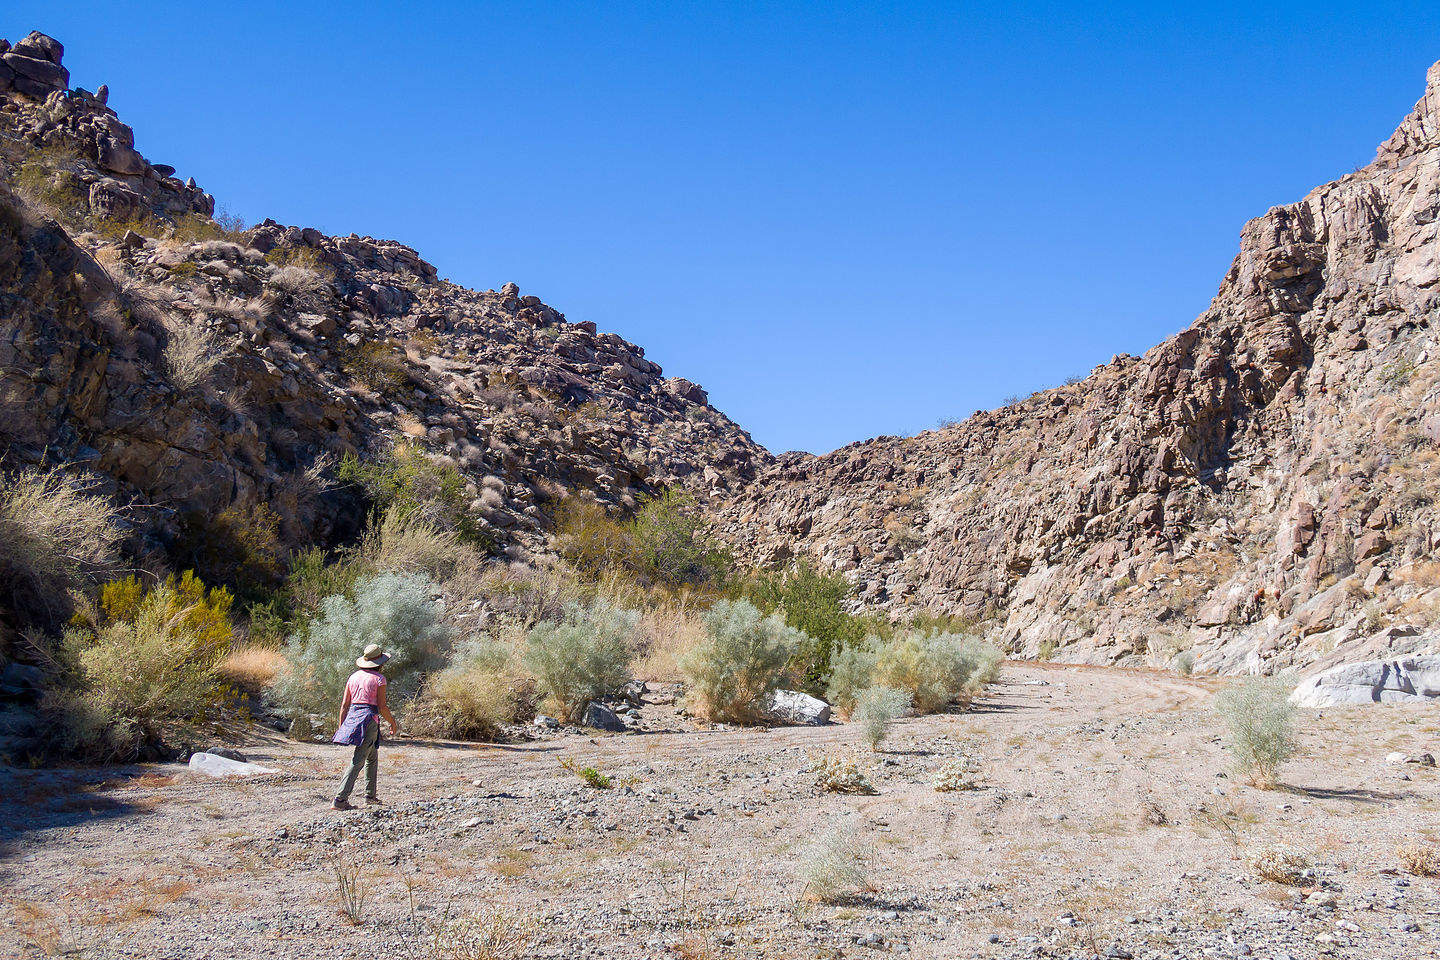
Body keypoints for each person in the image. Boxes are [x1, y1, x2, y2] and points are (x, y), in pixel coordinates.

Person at [331, 643, 399, 810]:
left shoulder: (353, 677)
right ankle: (340, 799)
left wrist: (342, 726)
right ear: (380, 663)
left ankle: (370, 795)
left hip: (354, 718)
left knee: (372, 757)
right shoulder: (379, 679)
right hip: (369, 720)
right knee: (359, 759)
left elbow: (345, 705)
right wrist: (392, 722)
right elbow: (382, 707)